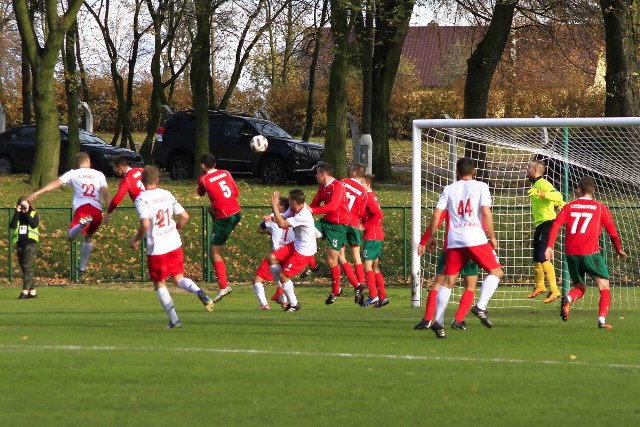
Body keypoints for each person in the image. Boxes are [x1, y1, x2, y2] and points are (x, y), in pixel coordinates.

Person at [424, 157, 504, 337]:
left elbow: (437, 213)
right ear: (474, 171)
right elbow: (485, 212)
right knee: (496, 272)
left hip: (454, 240)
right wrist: (491, 236)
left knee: (448, 281)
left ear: (457, 173)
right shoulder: (481, 186)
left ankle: (438, 320)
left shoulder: (449, 189)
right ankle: (481, 306)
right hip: (474, 237)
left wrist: (431, 237)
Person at [130, 166, 214, 328]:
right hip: (174, 243)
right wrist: (175, 229)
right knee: (178, 278)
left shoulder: (142, 199)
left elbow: (145, 224)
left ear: (141, 181)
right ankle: (198, 291)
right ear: (158, 180)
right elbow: (184, 216)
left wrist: (135, 240)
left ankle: (175, 320)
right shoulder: (166, 194)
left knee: (160, 283)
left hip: (157, 248)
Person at [545, 176, 627, 330]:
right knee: (604, 286)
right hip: (590, 253)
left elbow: (556, 225)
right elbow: (613, 233)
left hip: (570, 253)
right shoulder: (600, 208)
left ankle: (569, 297)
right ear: (594, 190)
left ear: (578, 190)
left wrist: (549, 246)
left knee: (580, 286)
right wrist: (618, 248)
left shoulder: (569, 206)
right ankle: (601, 320)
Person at [29, 152, 111, 276]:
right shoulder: (99, 175)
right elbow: (106, 193)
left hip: (83, 208)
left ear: (77, 164)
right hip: (97, 211)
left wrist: (39, 192)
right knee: (88, 237)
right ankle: (82, 267)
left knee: (70, 237)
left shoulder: (73, 173)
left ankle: (81, 225)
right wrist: (109, 212)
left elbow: (56, 183)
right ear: (88, 162)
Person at [414, 209, 479, 337]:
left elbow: (436, 218)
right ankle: (458, 320)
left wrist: (424, 241)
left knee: (438, 284)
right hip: (471, 247)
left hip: (451, 247)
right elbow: (483, 225)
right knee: (470, 286)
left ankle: (427, 319)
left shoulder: (451, 198)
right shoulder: (476, 199)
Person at [197, 153, 242, 303]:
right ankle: (217, 224)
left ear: (203, 166)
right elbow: (236, 193)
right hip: (237, 212)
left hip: (225, 218)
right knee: (211, 208)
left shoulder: (203, 179)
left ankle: (224, 286)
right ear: (215, 164)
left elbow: (200, 192)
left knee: (214, 253)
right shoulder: (226, 173)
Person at [267, 189, 318, 312]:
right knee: (272, 258)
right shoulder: (294, 209)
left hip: (304, 251)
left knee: (283, 275)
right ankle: (283, 286)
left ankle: (294, 304)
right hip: (296, 244)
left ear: (294, 201)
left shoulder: (303, 215)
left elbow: (281, 224)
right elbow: (280, 218)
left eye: (289, 200)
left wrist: (274, 206)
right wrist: (271, 217)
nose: (288, 202)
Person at [309, 162, 351, 304]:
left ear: (323, 174)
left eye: (317, 173)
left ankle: (336, 290)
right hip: (326, 223)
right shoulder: (322, 188)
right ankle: (312, 264)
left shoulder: (338, 186)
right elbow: (313, 204)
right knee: (305, 230)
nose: (316, 175)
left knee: (332, 259)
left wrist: (312, 211)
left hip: (338, 227)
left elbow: (332, 207)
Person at [526, 160, 565, 303]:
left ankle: (554, 290)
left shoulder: (542, 183)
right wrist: (559, 205)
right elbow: (555, 201)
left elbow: (558, 196)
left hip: (549, 223)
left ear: (535, 171)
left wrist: (541, 193)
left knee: (543, 255)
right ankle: (540, 286)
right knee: (537, 257)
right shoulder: (536, 184)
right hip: (541, 224)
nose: (527, 169)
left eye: (529, 168)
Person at [252, 196, 295, 310]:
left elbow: (260, 229)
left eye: (277, 204)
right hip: (289, 254)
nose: (273, 206)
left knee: (257, 280)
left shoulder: (272, 218)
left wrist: (268, 231)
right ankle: (285, 301)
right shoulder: (293, 219)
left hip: (276, 254)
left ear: (281, 207)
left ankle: (264, 304)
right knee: (283, 278)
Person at [339, 163, 369, 304]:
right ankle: (361, 283)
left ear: (355, 173)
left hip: (341, 223)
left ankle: (356, 285)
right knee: (357, 257)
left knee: (341, 256)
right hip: (355, 224)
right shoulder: (363, 192)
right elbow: (362, 211)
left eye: (351, 170)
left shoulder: (344, 182)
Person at [359, 174, 388, 308]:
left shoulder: (368, 197)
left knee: (367, 266)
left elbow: (378, 215)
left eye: (362, 183)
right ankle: (382, 296)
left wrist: (364, 226)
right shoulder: (372, 196)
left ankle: (373, 295)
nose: (359, 186)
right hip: (378, 234)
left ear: (368, 185)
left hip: (372, 235)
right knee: (375, 267)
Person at [10, 196, 40, 299]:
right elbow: (13, 226)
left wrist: (26, 212)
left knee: (27, 266)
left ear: (29, 205)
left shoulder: (33, 213)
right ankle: (33, 291)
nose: (23, 207)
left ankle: (25, 291)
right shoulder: (17, 215)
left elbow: (34, 224)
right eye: (21, 205)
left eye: (25, 205)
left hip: (31, 243)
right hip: (20, 244)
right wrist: (17, 212)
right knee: (25, 268)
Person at [104, 155, 145, 222]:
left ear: (120, 167)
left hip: (144, 207)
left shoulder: (127, 179)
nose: (114, 170)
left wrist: (109, 212)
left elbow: (117, 199)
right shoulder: (141, 170)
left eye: (114, 168)